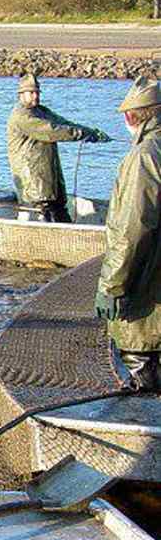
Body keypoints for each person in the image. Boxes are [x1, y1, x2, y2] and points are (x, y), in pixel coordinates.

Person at [96, 76, 161, 391]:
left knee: (142, 376)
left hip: (147, 298)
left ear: (131, 117)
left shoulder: (143, 156)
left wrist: (111, 285)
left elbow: (132, 229)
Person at [7, 72, 112, 223]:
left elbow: (64, 123)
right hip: (32, 182)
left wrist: (91, 132)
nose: (35, 96)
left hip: (49, 178)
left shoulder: (42, 111)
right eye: (31, 93)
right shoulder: (22, 116)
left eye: (37, 92)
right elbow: (53, 130)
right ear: (21, 94)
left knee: (61, 213)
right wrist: (83, 134)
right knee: (43, 216)